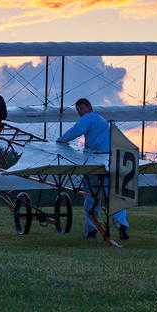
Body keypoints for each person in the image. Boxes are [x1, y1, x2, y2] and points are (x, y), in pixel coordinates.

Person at [56, 98, 130, 241]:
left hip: (95, 162)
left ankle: (91, 230)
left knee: (91, 196)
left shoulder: (88, 118)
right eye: (78, 110)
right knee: (113, 195)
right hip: (110, 161)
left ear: (88, 107)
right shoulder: (102, 120)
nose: (79, 112)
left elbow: (76, 130)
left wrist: (60, 141)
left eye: (81, 108)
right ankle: (122, 225)